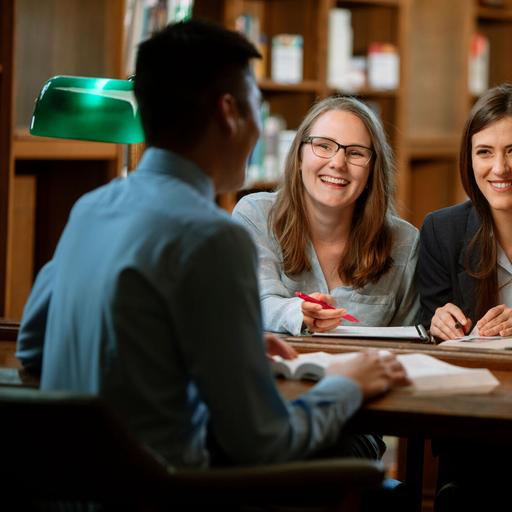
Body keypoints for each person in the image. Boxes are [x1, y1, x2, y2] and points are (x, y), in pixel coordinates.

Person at [16, 18, 408, 482]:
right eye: (257, 109)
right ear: (229, 112)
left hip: (74, 491)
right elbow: (262, 439)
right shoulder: (215, 238)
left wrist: (203, 347)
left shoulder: (90, 210)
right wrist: (348, 385)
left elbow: (33, 349)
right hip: (176, 502)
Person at [232, 96, 419, 336]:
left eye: (355, 153)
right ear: (299, 157)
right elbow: (254, 301)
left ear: (373, 169)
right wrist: (298, 312)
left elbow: (411, 341)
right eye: (323, 146)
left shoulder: (405, 242)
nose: (338, 163)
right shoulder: (255, 215)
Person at [417, 83, 512, 511]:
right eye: (485, 152)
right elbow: (428, 322)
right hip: (477, 422)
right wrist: (438, 327)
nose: (500, 168)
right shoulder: (443, 229)